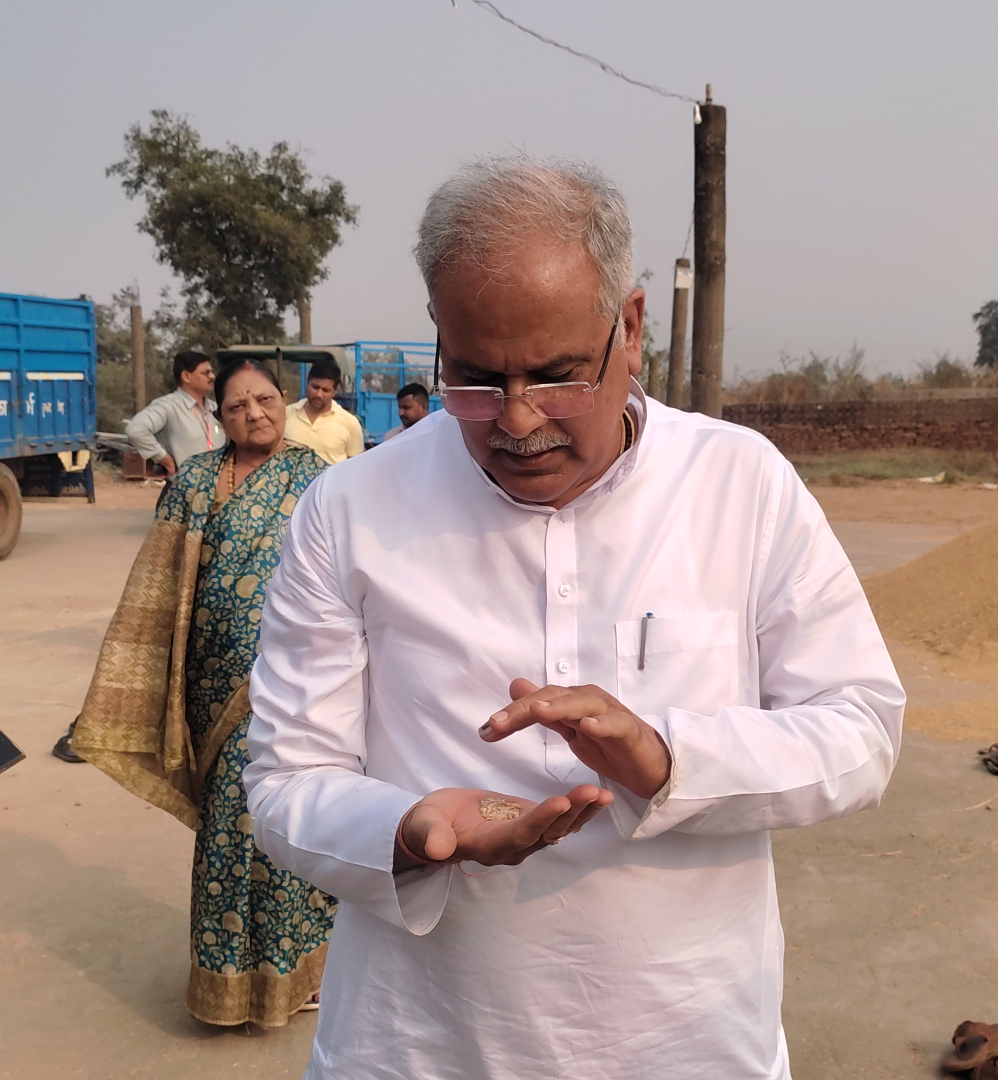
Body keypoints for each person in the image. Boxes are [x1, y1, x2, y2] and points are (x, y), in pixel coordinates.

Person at [242, 155, 904, 1078]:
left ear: (629, 328)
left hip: (688, 1043)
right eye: (474, 379)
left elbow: (861, 730)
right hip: (418, 1046)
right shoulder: (350, 510)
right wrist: (407, 829)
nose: (517, 420)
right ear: (440, 334)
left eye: (556, 376)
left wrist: (670, 758)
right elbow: (283, 783)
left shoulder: (738, 484)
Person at [71, 358, 332, 1027]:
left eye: (265, 399)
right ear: (220, 416)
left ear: (285, 402)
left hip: (291, 687)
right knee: (227, 831)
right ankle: (225, 978)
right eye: (238, 405)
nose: (255, 414)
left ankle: (296, 974)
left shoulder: (319, 481)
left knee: (286, 828)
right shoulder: (194, 482)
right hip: (211, 688)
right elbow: (159, 578)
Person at [125, 350, 225, 476]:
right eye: (206, 373)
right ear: (186, 376)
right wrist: (163, 458)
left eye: (211, 372)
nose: (212, 376)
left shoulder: (215, 408)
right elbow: (135, 430)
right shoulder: (168, 406)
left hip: (217, 488)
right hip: (184, 489)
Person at [282, 357, 364, 464]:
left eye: (325, 390)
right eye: (315, 387)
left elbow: (354, 467)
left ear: (334, 391)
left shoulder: (350, 423)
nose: (319, 395)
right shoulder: (286, 414)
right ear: (308, 382)